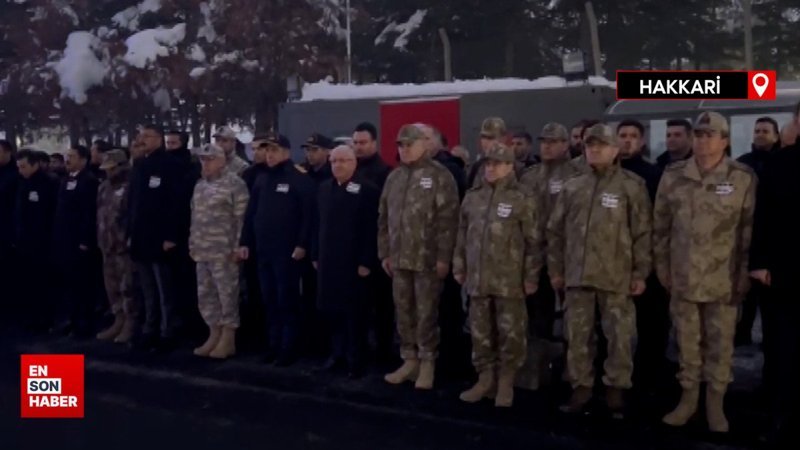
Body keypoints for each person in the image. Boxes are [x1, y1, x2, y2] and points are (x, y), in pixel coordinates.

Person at [655, 112, 756, 433]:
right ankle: (688, 401)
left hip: (722, 280)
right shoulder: (674, 176)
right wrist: (662, 268)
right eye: (698, 134)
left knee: (720, 345)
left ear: (725, 141)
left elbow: (748, 232)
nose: (702, 140)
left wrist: (743, 275)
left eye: (710, 135)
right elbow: (660, 227)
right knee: (686, 343)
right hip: (683, 277)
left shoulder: (742, 177)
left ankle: (715, 405)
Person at [547, 123, 652, 418]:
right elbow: (554, 232)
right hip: (577, 277)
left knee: (618, 337)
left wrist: (640, 273)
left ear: (615, 150)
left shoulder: (632, 186)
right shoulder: (572, 186)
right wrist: (556, 269)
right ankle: (580, 390)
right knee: (578, 337)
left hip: (615, 277)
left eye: (601, 145)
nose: (594, 149)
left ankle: (615, 393)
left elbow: (643, 233)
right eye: (590, 145)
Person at [454, 142, 541, 407]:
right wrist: (460, 265)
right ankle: (485, 379)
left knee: (510, 333)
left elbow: (534, 242)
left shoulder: (522, 197)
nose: (490, 168)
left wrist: (531, 276)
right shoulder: (473, 196)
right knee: (481, 331)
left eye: (496, 164)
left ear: (509, 166)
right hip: (478, 279)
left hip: (509, 280)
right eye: (487, 164)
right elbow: (461, 234)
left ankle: (506, 382)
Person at [378, 124, 459, 389]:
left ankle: (427, 363)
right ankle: (409, 359)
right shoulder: (394, 177)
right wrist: (385, 253)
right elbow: (383, 219)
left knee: (427, 313)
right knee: (404, 312)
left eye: (409, 144)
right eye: (400, 145)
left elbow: (448, 221)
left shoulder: (440, 176)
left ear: (424, 145)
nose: (404, 149)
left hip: (427, 260)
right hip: (399, 259)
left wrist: (444, 258)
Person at [239, 133, 316, 366]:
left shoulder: (299, 178)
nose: (269, 155)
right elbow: (251, 214)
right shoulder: (262, 178)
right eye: (266, 151)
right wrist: (245, 242)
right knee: (269, 299)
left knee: (287, 300)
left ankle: (289, 347)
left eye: (274, 150)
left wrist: (303, 244)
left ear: (286, 152)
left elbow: (309, 216)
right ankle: (273, 344)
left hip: (288, 253)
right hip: (264, 251)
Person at [749, 102, 800, 444]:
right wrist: (759, 262)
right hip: (784, 272)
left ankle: (783, 413)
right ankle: (782, 413)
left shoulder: (781, 161)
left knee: (786, 348)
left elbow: (764, 217)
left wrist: (762, 262)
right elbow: (763, 215)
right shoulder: (781, 161)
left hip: (785, 271)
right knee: (784, 348)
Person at [312, 145, 380, 378]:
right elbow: (317, 224)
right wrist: (315, 254)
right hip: (328, 262)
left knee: (354, 315)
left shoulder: (367, 190)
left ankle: (355, 359)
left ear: (354, 163)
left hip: (353, 264)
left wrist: (366, 261)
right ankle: (337, 354)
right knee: (333, 312)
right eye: (334, 161)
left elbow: (372, 229)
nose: (338, 165)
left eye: (343, 160)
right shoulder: (323, 189)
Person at [190, 143, 249, 359]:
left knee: (227, 295)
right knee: (206, 295)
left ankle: (228, 339)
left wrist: (238, 247)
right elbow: (194, 217)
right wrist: (192, 243)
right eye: (202, 160)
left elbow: (241, 219)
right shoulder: (199, 186)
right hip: (202, 250)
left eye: (209, 159)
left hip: (224, 252)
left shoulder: (235, 184)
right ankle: (213, 333)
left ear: (221, 160)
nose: (205, 164)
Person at [127, 125, 182, 352]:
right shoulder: (140, 165)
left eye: (147, 137)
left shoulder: (170, 165)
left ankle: (167, 331)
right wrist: (130, 233)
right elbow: (133, 203)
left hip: (161, 238)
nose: (143, 140)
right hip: (141, 237)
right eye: (141, 137)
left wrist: (171, 235)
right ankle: (150, 328)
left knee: (164, 289)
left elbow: (175, 204)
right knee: (147, 288)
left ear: (159, 139)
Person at [352, 121, 395, 365]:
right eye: (355, 143)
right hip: (353, 251)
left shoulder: (384, 173)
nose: (358, 147)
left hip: (377, 250)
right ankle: (360, 350)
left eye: (363, 142)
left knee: (382, 307)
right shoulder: (350, 169)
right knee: (358, 306)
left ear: (374, 143)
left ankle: (384, 352)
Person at [52, 145, 100, 338]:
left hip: (80, 240)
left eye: (71, 156)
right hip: (65, 239)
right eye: (66, 156)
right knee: (70, 283)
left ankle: (84, 323)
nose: (67, 160)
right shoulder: (66, 179)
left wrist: (85, 240)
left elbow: (88, 213)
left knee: (83, 284)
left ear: (83, 159)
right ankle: (72, 319)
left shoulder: (88, 181)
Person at [13, 149, 58, 331]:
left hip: (43, 241)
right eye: (19, 167)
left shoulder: (48, 183)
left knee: (43, 282)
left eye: (24, 166)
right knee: (29, 281)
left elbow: (51, 212)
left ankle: (46, 319)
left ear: (35, 164)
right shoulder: (22, 183)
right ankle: (32, 317)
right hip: (25, 240)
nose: (21, 170)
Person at [96, 150, 136, 343]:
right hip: (106, 244)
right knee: (111, 286)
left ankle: (130, 322)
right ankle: (118, 319)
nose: (108, 173)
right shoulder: (103, 187)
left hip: (123, 246)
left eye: (111, 169)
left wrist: (127, 237)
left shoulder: (130, 186)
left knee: (127, 286)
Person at [466, 117, 506, 188]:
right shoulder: (477, 167)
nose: (486, 142)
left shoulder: (514, 167)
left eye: (491, 138)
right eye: (483, 137)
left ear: (503, 139)